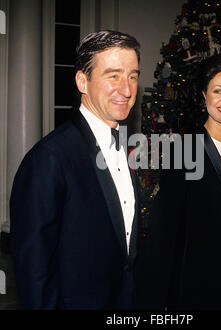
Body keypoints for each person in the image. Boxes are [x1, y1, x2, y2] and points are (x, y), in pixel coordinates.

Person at [10, 30, 141, 310]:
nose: (128, 89)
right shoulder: (49, 158)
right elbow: (35, 272)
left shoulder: (127, 147)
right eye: (113, 75)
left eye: (133, 76)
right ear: (83, 81)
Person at [135, 51, 221, 310]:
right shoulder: (186, 149)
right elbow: (164, 231)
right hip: (198, 287)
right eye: (217, 91)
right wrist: (156, 300)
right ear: (203, 95)